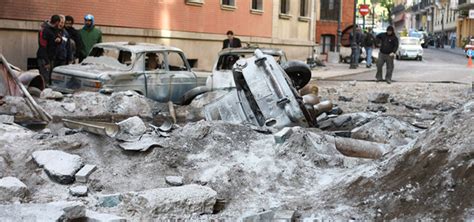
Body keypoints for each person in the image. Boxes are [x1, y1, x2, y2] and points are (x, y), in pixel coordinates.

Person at [37, 15, 62, 86]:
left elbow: (59, 38)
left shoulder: (55, 29)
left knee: (49, 78)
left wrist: (59, 40)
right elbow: (43, 46)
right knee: (45, 78)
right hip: (44, 58)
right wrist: (46, 61)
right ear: (57, 22)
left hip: (51, 57)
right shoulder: (44, 30)